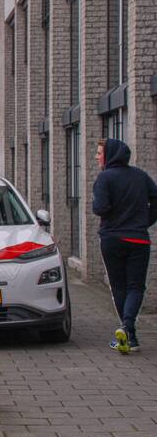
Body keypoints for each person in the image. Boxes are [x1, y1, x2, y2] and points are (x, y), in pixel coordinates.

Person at [92, 138, 157, 353]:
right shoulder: (140, 176)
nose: (97, 157)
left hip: (112, 239)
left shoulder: (105, 178)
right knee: (136, 286)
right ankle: (130, 334)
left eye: (100, 153)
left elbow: (101, 208)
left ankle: (127, 330)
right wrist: (145, 221)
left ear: (109, 155)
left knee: (119, 287)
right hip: (138, 239)